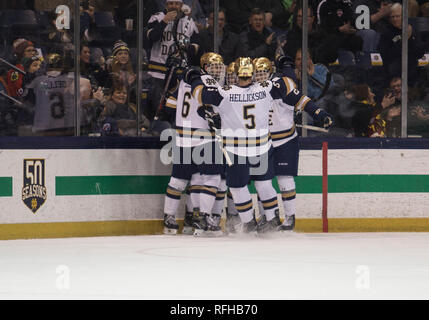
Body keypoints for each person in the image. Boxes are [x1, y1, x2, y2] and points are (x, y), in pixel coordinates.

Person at [185, 56, 333, 233]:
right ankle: (272, 219)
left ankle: (249, 222)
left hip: (237, 149)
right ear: (253, 74)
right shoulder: (266, 89)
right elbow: (290, 90)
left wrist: (194, 78)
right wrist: (318, 112)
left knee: (237, 187)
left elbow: (200, 95)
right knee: (264, 184)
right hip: (262, 147)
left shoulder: (225, 92)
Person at [254, 56, 333, 230]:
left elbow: (302, 100)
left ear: (271, 72)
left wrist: (319, 114)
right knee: (262, 180)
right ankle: (266, 217)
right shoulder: (250, 88)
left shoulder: (281, 84)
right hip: (262, 141)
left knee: (284, 178)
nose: (259, 77)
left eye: (262, 73)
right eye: (256, 73)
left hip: (284, 140)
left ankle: (290, 218)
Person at [161, 52, 225, 236]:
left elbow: (170, 106)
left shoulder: (183, 81)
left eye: (219, 66)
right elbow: (213, 101)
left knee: (183, 179)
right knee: (211, 178)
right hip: (203, 137)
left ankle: (171, 219)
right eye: (213, 66)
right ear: (205, 67)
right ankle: (203, 218)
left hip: (182, 136)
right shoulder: (209, 81)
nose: (217, 70)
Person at [144, 0, 200, 122]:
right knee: (157, 108)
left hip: (178, 74)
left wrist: (185, 46)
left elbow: (196, 48)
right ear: (166, 5)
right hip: (157, 72)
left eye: (176, 3)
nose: (173, 6)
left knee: (174, 108)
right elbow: (151, 38)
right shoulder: (156, 18)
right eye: (170, 3)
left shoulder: (189, 22)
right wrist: (164, 22)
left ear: (181, 5)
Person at [378, 3, 426, 86]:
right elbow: (386, 55)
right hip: (392, 71)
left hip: (411, 70)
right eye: (392, 17)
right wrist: (404, 40)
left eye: (397, 16)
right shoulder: (386, 33)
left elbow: (419, 53)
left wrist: (410, 39)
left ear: (404, 16)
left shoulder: (412, 30)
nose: (395, 19)